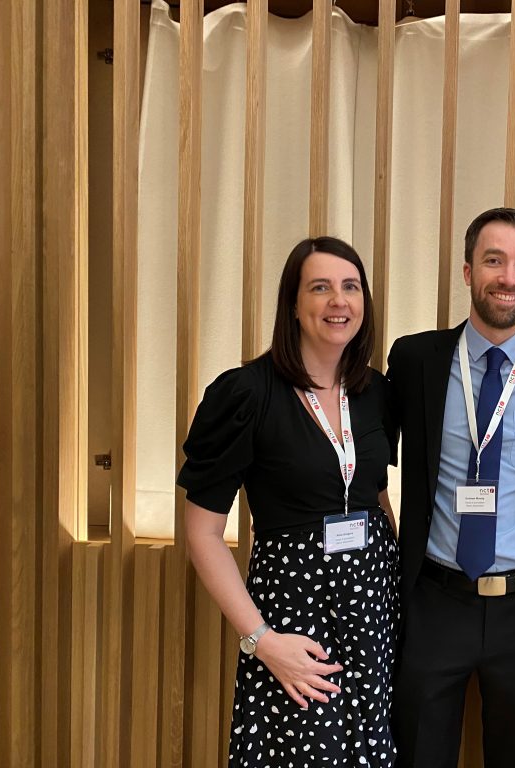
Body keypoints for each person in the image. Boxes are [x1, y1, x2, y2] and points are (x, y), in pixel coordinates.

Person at [177, 237, 398, 767]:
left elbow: (372, 493)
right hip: (292, 620)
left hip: (373, 614)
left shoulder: (375, 392)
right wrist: (262, 641)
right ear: (293, 305)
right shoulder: (248, 393)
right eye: (319, 288)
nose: (337, 301)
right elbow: (202, 534)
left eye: (350, 287)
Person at [386, 208, 515, 768]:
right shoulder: (414, 359)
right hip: (434, 600)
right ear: (468, 270)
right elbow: (365, 459)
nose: (508, 277)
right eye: (494, 260)